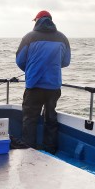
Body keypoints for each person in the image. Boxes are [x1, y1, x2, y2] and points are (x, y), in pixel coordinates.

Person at [15, 10, 71, 154]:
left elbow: (20, 60)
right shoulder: (62, 38)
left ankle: (29, 150)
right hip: (53, 86)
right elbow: (66, 62)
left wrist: (31, 69)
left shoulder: (29, 37)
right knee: (51, 118)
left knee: (30, 119)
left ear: (37, 20)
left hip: (34, 86)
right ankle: (50, 151)